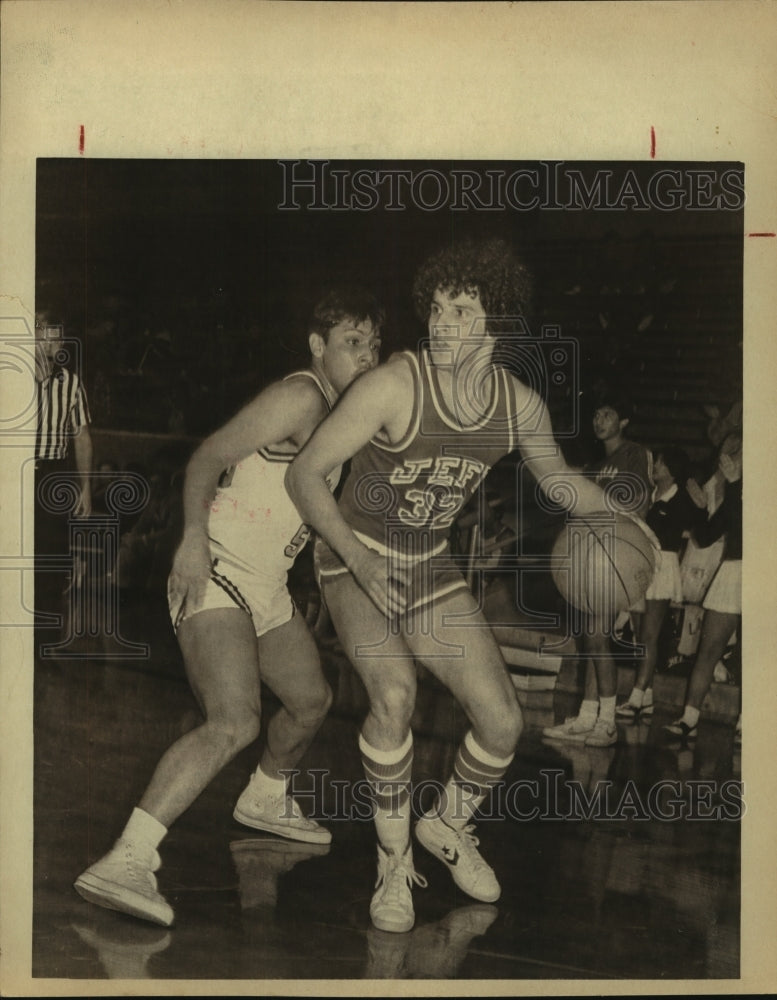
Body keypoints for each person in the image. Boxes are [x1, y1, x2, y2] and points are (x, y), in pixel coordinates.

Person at [286, 238, 612, 934]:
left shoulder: (517, 406)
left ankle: (448, 823)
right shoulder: (392, 384)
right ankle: (393, 860)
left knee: (502, 722)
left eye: (459, 310)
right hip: (352, 555)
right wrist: (358, 558)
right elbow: (304, 475)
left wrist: (626, 523)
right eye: (435, 307)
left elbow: (559, 484)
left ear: (495, 323)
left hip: (426, 561)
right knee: (394, 694)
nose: (440, 322)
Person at [74, 287, 384, 927]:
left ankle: (267, 798)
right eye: (353, 341)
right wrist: (189, 542)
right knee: (234, 719)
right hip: (214, 569)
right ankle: (127, 857)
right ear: (317, 346)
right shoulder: (301, 395)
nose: (368, 354)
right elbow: (207, 456)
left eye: (374, 344)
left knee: (310, 699)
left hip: (264, 586)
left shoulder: (345, 419)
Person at [543, 391, 654, 747]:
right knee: (592, 639)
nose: (598, 419)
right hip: (593, 551)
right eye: (595, 414)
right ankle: (588, 716)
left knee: (595, 634)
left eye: (606, 413)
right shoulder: (592, 465)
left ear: (623, 421)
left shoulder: (635, 453)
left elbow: (638, 501)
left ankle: (607, 722)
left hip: (621, 553)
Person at [616, 446, 706, 719]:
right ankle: (647, 698)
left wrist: (702, 507)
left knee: (649, 636)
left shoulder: (681, 498)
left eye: (661, 463)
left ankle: (636, 698)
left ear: (672, 470)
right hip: (643, 563)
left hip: (662, 566)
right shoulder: (652, 495)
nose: (655, 466)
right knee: (640, 631)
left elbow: (700, 528)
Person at [663, 442, 742, 743]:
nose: (733, 457)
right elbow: (707, 536)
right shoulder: (734, 488)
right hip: (734, 571)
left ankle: (747, 723)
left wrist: (735, 486)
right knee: (708, 649)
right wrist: (699, 510)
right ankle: (689, 719)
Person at [34, 315, 94, 624]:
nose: (49, 345)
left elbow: (81, 436)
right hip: (14, 472)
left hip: (52, 474)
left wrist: (85, 487)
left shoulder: (70, 382)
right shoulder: (11, 377)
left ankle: (42, 644)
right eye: (43, 337)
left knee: (50, 559)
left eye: (55, 340)